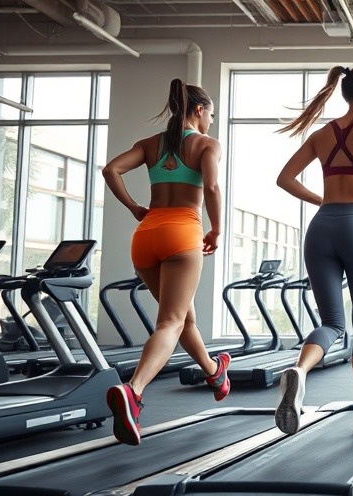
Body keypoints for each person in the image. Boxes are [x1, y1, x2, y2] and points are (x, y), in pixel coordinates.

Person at [101, 78, 231, 445]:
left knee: (182, 317)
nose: (210, 123)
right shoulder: (207, 144)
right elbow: (212, 188)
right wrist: (217, 230)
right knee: (171, 321)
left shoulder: (150, 145)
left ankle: (214, 372)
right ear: (200, 111)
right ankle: (134, 391)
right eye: (211, 116)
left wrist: (134, 208)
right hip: (182, 234)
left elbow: (110, 170)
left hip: (146, 236)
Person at [273, 65, 353, 436]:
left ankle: (299, 371)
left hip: (321, 228)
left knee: (332, 322)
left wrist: (324, 201)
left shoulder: (320, 134)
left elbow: (284, 179)